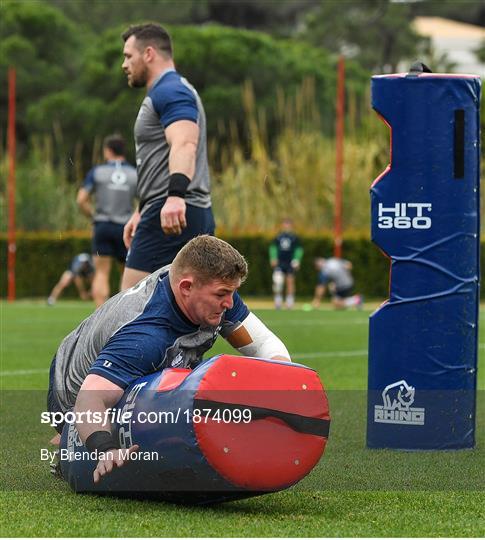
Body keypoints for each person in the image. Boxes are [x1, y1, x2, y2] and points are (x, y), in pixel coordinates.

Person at [47, 236, 291, 483]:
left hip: (118, 360)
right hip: (71, 392)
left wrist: (286, 386)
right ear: (186, 287)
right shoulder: (145, 336)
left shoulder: (206, 288)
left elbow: (263, 344)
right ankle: (68, 442)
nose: (229, 303)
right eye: (222, 294)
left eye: (232, 293)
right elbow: (90, 396)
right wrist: (106, 450)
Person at [120, 23, 215, 291]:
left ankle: (261, 336)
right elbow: (161, 159)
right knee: (193, 314)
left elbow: (185, 143)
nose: (124, 64)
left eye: (128, 56)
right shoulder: (172, 89)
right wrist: (141, 209)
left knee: (128, 315)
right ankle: (262, 336)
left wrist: (174, 197)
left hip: (172, 213)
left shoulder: (170, 90)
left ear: (148, 53)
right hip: (175, 209)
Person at [76, 135, 137, 307]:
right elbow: (147, 200)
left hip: (102, 225)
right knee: (128, 274)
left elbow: (81, 199)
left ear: (107, 150)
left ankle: (99, 318)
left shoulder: (98, 171)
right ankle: (126, 318)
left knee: (101, 273)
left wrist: (93, 216)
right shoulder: (134, 173)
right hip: (126, 228)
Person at [269, 218, 303, 309]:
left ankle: (289, 302)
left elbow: (299, 249)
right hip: (280, 262)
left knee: (290, 281)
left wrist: (297, 260)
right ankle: (278, 301)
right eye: (285, 224)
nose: (286, 226)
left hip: (290, 263)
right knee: (278, 282)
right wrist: (273, 258)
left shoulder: (294, 237)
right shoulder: (278, 237)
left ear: (291, 226)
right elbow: (273, 248)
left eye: (288, 225)